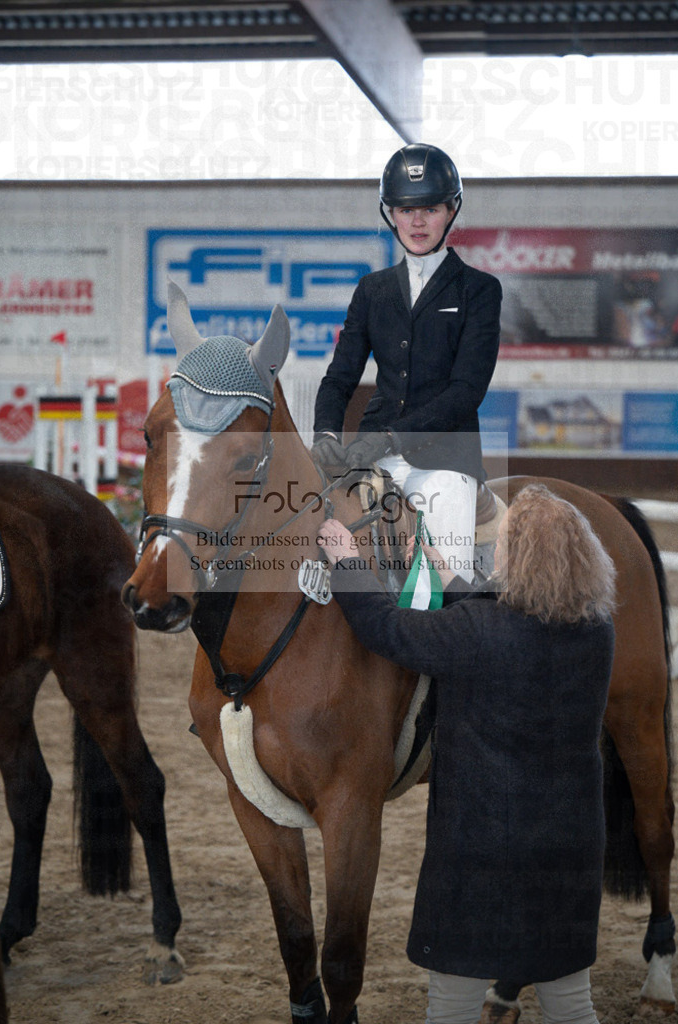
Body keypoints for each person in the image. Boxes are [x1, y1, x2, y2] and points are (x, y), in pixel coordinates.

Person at [316, 483, 616, 1024]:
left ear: (518, 557)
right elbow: (504, 624)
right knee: (573, 1006)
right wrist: (439, 568)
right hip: (568, 849)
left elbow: (389, 629)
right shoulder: (598, 630)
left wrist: (347, 562)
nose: (494, 547)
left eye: (502, 541)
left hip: (479, 852)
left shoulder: (478, 632)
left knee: (451, 1009)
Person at [312, 143, 502, 585]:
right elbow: (339, 377)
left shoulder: (479, 290)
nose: (417, 222)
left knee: (445, 580)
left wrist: (390, 439)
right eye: (406, 210)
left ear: (451, 210)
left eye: (430, 209)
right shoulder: (372, 290)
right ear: (391, 214)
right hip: (370, 456)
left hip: (446, 461)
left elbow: (466, 392)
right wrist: (326, 433)